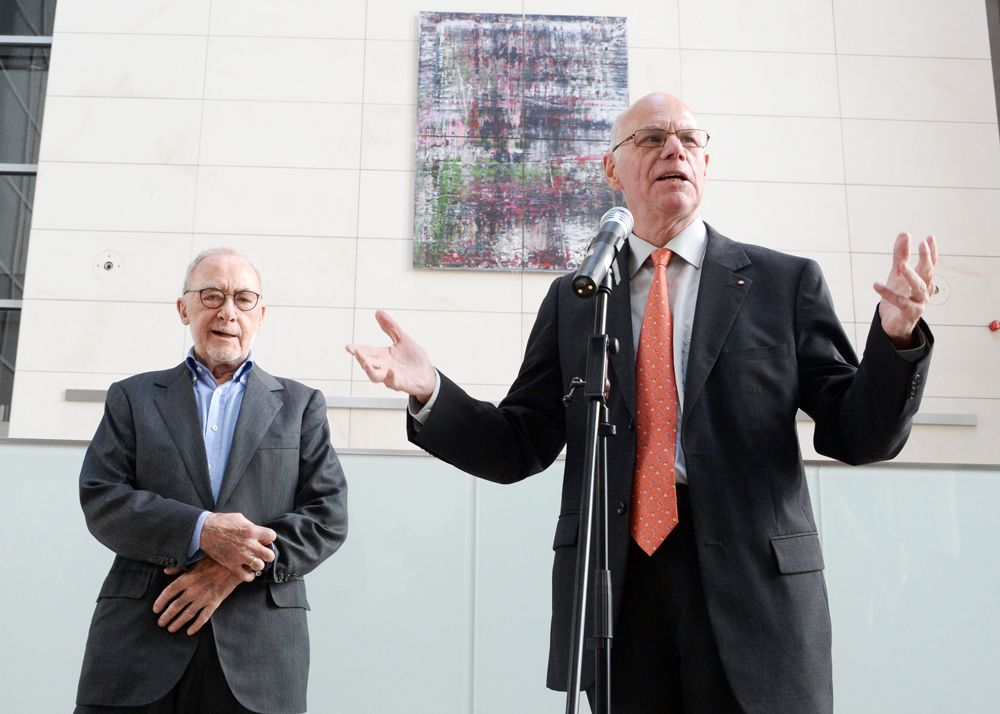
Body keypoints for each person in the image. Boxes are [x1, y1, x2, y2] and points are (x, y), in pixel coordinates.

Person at [347, 92, 935, 714]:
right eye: (652, 138)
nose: (674, 149)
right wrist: (430, 390)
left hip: (753, 590)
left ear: (705, 163)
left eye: (689, 140)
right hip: (619, 588)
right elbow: (519, 443)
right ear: (612, 168)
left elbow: (857, 432)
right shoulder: (578, 297)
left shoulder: (782, 284)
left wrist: (896, 339)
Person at [75, 248, 348, 714]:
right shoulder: (133, 397)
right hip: (140, 639)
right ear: (184, 308)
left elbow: (327, 517)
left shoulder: (300, 406)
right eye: (211, 295)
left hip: (258, 653)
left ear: (260, 315)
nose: (227, 311)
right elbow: (103, 497)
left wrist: (233, 567)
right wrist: (202, 531)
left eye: (243, 299)